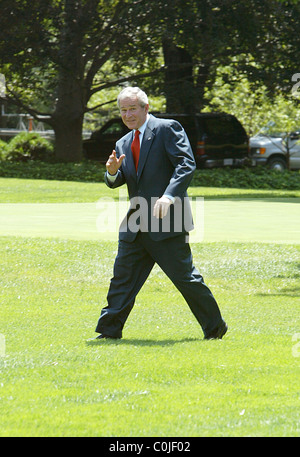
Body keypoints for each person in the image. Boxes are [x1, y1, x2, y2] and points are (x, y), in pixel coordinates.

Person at [95, 86, 227, 340]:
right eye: (123, 110)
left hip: (167, 222)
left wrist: (169, 196)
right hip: (135, 225)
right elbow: (118, 178)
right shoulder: (123, 142)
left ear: (146, 108)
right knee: (122, 279)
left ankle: (215, 328)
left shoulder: (168, 129)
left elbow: (186, 164)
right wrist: (111, 172)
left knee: (186, 279)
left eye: (133, 108)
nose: (128, 114)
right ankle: (109, 331)